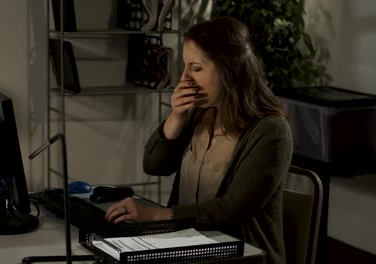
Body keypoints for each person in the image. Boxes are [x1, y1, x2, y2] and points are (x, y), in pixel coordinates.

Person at [105, 16, 293, 264]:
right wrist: (176, 117)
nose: (185, 79)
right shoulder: (199, 114)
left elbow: (233, 209)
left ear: (230, 69)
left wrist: (156, 215)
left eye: (195, 68)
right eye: (185, 67)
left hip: (240, 255)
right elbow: (153, 165)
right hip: (188, 245)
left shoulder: (271, 131)